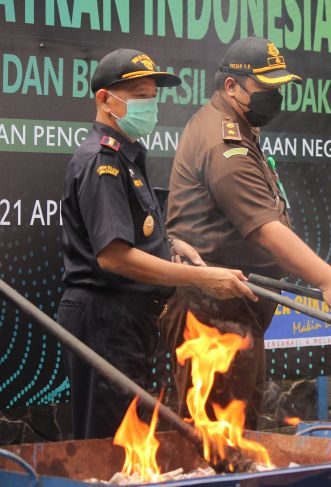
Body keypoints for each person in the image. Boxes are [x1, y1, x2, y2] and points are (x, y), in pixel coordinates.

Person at [162, 36, 331, 426]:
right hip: (213, 314)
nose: (274, 97)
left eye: (278, 88)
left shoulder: (240, 131)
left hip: (236, 308)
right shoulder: (223, 143)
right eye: (265, 88)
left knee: (239, 432)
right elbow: (264, 230)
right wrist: (330, 281)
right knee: (217, 441)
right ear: (230, 86)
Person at [58, 48, 256, 440]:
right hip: (105, 318)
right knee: (110, 446)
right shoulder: (103, 161)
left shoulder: (127, 157)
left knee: (132, 443)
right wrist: (201, 279)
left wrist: (172, 245)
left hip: (128, 320)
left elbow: (134, 231)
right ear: (105, 99)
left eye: (152, 96)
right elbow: (114, 256)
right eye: (139, 95)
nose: (150, 105)